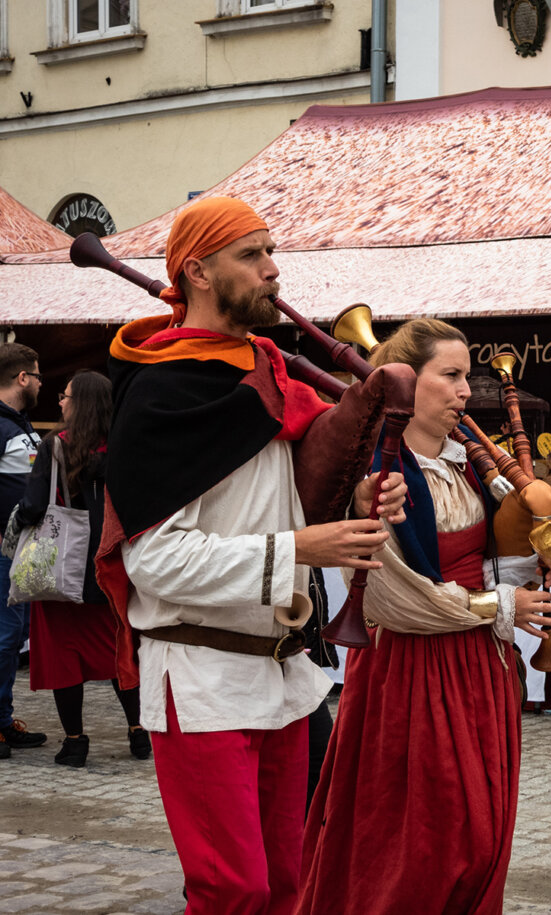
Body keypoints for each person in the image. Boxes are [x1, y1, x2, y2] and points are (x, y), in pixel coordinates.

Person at [95, 196, 409, 914]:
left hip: (281, 676)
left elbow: (276, 500)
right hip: (201, 680)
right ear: (198, 272)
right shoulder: (160, 395)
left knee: (289, 886)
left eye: (271, 251)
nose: (274, 269)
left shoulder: (268, 373)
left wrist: (356, 502)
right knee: (233, 891)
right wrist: (301, 546)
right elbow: (154, 565)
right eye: (253, 254)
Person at [296, 318, 551, 915]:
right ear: (407, 385)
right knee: (430, 842)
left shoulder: (466, 465)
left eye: (468, 377)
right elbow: (393, 597)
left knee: (483, 839)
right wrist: (503, 606)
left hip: (480, 670)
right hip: (411, 675)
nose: (466, 391)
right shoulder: (381, 477)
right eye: (451, 376)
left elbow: (515, 534)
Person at [7, 371, 146, 767]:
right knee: (119, 649)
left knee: (65, 656)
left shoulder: (56, 447)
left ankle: (75, 743)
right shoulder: (124, 448)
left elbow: (34, 506)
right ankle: (138, 733)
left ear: (79, 403)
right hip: (111, 567)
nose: (60, 402)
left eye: (65, 396)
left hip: (60, 569)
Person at [0, 343, 47, 760]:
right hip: (1, 551)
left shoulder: (20, 424)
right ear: (21, 378)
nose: (39, 383)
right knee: (1, 639)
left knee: (11, 638)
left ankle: (2, 720)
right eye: (37, 376)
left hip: (19, 553)